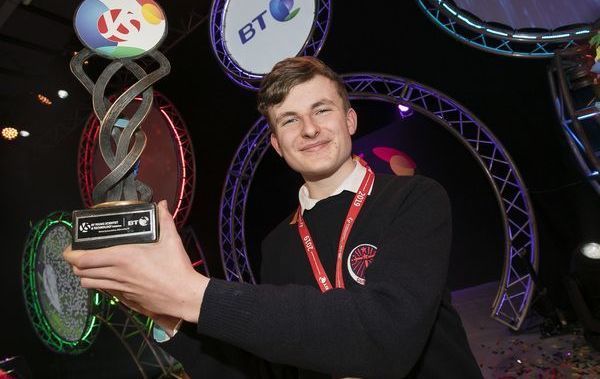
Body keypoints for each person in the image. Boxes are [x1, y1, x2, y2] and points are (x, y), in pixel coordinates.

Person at [64, 56, 482, 378]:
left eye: (322, 110)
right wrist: (166, 313)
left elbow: (389, 336)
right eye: (289, 120)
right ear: (277, 145)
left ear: (350, 119)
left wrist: (192, 293)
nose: (310, 129)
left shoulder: (414, 198)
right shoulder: (278, 243)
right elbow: (272, 368)